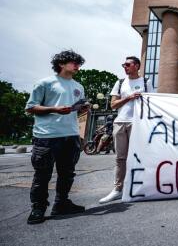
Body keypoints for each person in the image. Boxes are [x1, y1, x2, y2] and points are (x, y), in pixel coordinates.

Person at [25, 50, 88, 224]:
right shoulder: (45, 83)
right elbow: (30, 108)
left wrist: (82, 109)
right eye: (73, 62)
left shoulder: (78, 86)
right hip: (47, 136)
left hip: (71, 135)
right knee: (42, 174)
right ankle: (38, 208)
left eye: (78, 63)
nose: (77, 65)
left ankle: (61, 203)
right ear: (61, 64)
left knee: (67, 173)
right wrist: (54, 109)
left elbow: (77, 109)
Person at [99, 56, 153, 203]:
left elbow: (152, 103)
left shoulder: (146, 82)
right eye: (124, 64)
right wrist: (129, 98)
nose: (125, 67)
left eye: (128, 64)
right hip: (121, 122)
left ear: (136, 66)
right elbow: (113, 105)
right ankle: (117, 189)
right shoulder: (120, 82)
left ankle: (141, 187)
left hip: (138, 123)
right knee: (120, 158)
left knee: (140, 156)